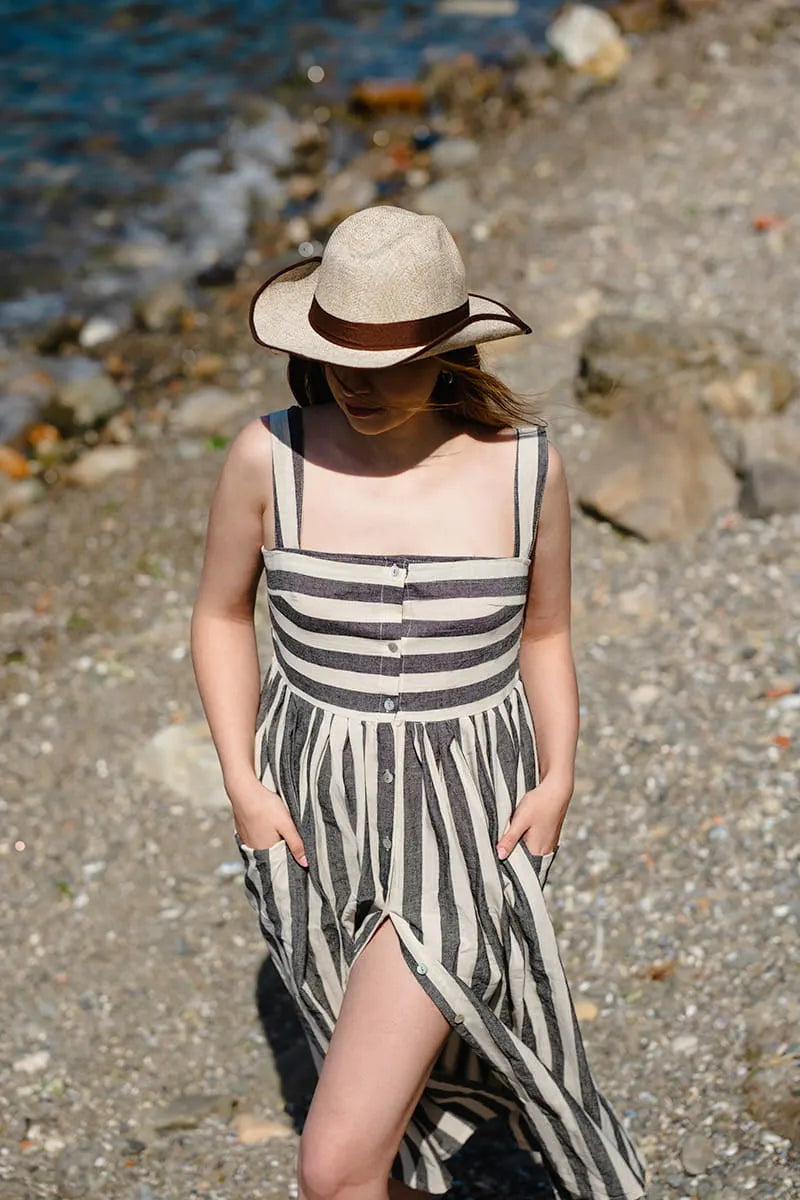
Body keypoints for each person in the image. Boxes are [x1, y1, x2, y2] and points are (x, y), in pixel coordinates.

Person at [190, 206, 647, 1200]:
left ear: (445, 354)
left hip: (467, 816)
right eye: (335, 356)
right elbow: (221, 616)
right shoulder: (268, 456)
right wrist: (243, 787)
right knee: (378, 1132)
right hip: (309, 811)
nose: (353, 382)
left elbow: (545, 635)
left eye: (386, 362)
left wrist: (559, 779)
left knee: (330, 1165)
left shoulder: (525, 467)